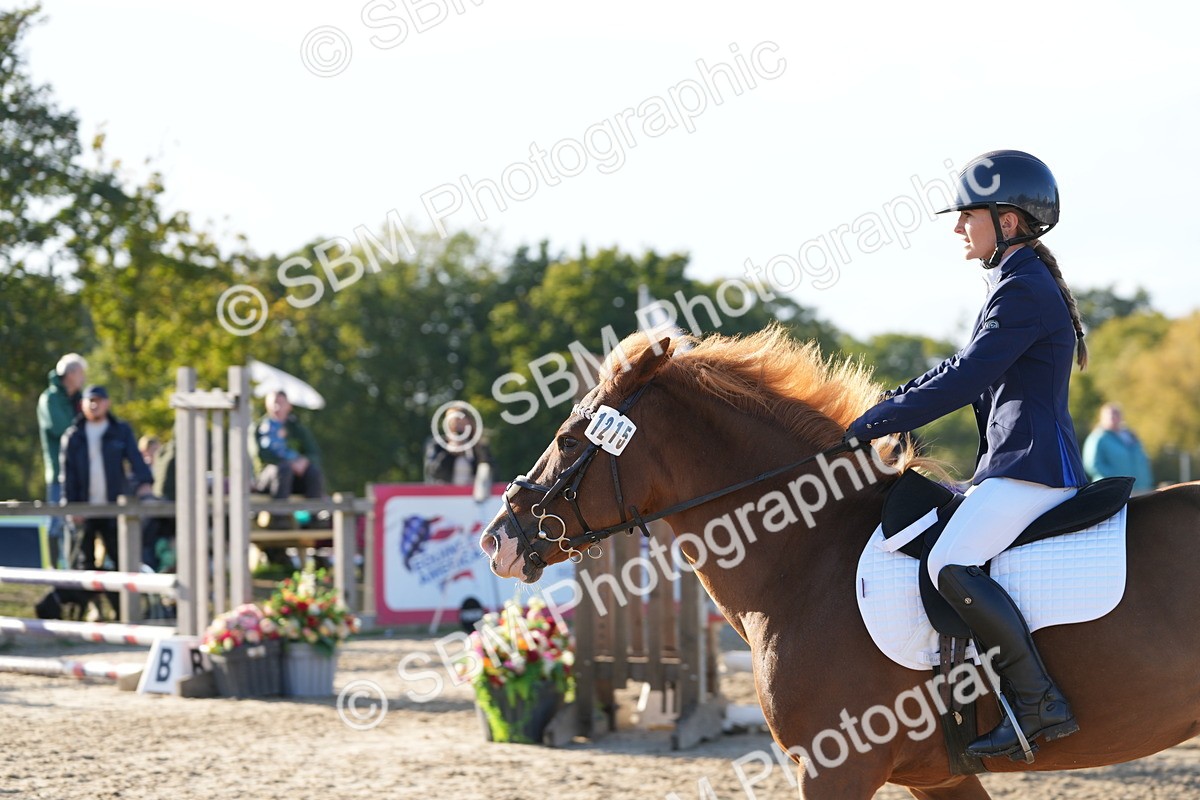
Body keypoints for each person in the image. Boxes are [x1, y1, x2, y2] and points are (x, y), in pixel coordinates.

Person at [845, 151, 1088, 760]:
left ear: (1008, 221)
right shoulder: (1015, 284)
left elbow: (961, 380)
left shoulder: (1024, 290)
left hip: (1030, 467)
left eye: (968, 216)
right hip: (1014, 465)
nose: (958, 228)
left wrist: (872, 423)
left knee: (950, 561)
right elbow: (960, 370)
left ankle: (1037, 704)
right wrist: (885, 405)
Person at [60, 385, 153, 581]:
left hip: (113, 507)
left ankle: (124, 609)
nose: (94, 405)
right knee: (85, 563)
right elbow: (67, 475)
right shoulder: (73, 436)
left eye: (99, 400)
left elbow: (136, 460)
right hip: (85, 507)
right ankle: (93, 608)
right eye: (90, 400)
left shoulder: (120, 431)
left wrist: (144, 484)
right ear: (82, 405)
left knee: (121, 559)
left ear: (107, 403)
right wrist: (71, 506)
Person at [37, 353, 87, 568]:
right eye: (81, 373)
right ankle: (52, 572)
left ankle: (73, 572)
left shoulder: (80, 399)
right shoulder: (50, 399)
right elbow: (62, 429)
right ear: (71, 373)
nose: (84, 378)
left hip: (81, 472)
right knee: (56, 523)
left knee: (78, 525)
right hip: (59, 472)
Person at [249, 390, 328, 527]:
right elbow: (260, 455)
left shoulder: (296, 428)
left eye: (281, 403)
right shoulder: (259, 428)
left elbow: (313, 453)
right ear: (267, 405)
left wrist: (304, 461)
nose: (277, 408)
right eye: (274, 403)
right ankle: (279, 518)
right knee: (283, 469)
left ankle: (313, 518)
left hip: (294, 479)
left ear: (289, 406)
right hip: (268, 479)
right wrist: (290, 462)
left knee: (313, 472)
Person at [424, 404, 493, 498]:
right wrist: (449, 452)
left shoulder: (478, 445)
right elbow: (433, 472)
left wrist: (474, 450)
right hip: (445, 495)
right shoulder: (438, 444)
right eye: (453, 420)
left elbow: (490, 469)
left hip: (472, 496)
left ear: (468, 421)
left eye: (460, 419)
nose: (457, 423)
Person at [1082, 403, 1154, 491]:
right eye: (1111, 415)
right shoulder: (1098, 438)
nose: (1114, 418)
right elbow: (1093, 465)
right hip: (1112, 490)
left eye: (1117, 414)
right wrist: (1115, 479)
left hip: (1140, 488)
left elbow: (1142, 459)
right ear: (1102, 418)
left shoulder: (1130, 436)